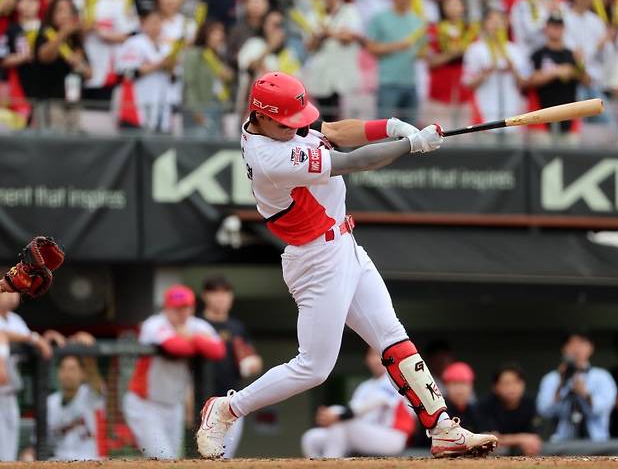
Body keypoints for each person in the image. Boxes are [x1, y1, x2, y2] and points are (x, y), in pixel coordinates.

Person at [196, 71, 498, 459]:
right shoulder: (272, 156)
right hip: (316, 259)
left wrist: (390, 125)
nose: (297, 128)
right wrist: (410, 145)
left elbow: (335, 130)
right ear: (263, 116)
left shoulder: (275, 126)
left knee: (392, 334)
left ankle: (441, 428)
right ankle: (225, 409)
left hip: (345, 244)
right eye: (288, 123)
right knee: (314, 367)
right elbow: (354, 161)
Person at [123, 284, 225, 459]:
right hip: (145, 404)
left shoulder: (196, 325)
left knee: (173, 459)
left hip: (174, 405)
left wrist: (192, 338)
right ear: (167, 308)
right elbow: (175, 347)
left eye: (186, 307)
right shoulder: (154, 324)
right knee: (163, 459)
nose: (182, 313)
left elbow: (218, 351)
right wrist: (198, 342)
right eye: (177, 309)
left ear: (192, 308)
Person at [301, 347, 415, 458]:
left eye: (380, 355)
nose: (377, 360)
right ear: (367, 359)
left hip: (392, 436)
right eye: (373, 355)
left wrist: (336, 416)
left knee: (338, 415)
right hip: (364, 433)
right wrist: (332, 417)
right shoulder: (365, 386)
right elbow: (352, 411)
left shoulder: (395, 380)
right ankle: (324, 462)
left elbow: (369, 405)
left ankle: (330, 461)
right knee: (311, 438)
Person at [200, 275, 262, 458]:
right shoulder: (198, 324)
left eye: (225, 293)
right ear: (205, 296)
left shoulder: (237, 327)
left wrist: (251, 363)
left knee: (225, 456)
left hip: (232, 400)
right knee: (200, 454)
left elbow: (255, 360)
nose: (221, 297)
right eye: (215, 293)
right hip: (201, 399)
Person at [301, 0, 362, 122]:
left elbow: (350, 36)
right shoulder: (313, 15)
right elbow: (309, 46)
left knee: (346, 118)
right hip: (322, 73)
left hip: (344, 72)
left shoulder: (350, 11)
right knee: (326, 117)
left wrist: (327, 32)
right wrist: (318, 36)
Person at [462, 9, 530, 138]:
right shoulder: (475, 49)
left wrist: (512, 67)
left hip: (512, 114)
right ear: (484, 24)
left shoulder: (515, 50)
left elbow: (525, 82)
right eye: (492, 21)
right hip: (484, 114)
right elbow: (467, 82)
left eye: (500, 21)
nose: (496, 25)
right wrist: (486, 73)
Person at [0, 292, 52, 461]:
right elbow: (3, 335)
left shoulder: (16, 320)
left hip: (8, 392)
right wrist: (34, 338)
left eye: (14, 291)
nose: (12, 296)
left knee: (7, 451)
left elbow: (29, 341)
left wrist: (46, 337)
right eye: (6, 291)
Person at [536, 332, 617, 441]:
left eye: (581, 343)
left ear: (591, 348)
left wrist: (585, 394)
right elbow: (544, 411)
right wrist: (560, 385)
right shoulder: (552, 378)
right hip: (561, 444)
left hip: (597, 444)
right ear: (564, 348)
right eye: (572, 344)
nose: (576, 349)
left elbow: (603, 408)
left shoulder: (602, 377)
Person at [366, 0, 424, 126]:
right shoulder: (380, 18)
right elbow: (370, 47)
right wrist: (397, 45)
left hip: (411, 83)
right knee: (384, 130)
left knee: (412, 134)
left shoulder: (417, 20)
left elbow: (421, 52)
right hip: (387, 83)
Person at [526, 11, 589, 141]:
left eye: (559, 26)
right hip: (542, 115)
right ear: (546, 28)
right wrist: (556, 72)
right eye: (553, 26)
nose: (556, 30)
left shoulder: (571, 55)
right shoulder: (538, 54)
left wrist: (580, 65)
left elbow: (587, 81)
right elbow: (529, 81)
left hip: (569, 115)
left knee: (569, 156)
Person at [34, 0, 92, 132]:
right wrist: (62, 34)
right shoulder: (45, 33)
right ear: (51, 13)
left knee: (72, 141)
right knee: (54, 141)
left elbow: (89, 73)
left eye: (68, 11)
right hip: (51, 100)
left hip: (74, 100)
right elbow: (45, 57)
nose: (64, 15)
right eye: (59, 10)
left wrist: (80, 63)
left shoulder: (75, 39)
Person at [116, 9, 176, 131]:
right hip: (137, 101)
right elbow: (129, 73)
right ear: (144, 24)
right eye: (153, 22)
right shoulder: (134, 43)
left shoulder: (166, 46)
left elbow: (174, 76)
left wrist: (171, 65)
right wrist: (159, 64)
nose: (156, 26)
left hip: (161, 100)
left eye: (159, 22)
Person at [424, 0, 476, 130]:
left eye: (457, 3)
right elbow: (430, 61)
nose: (453, 7)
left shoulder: (471, 30)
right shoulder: (434, 29)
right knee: (437, 130)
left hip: (464, 88)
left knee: (464, 130)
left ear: (463, 7)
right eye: (449, 3)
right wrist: (452, 54)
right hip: (440, 86)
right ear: (442, 6)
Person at [48, 352, 105, 461]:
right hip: (58, 460)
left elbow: (97, 385)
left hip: (89, 460)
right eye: (63, 368)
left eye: (72, 369)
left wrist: (88, 353)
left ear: (82, 373)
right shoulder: (50, 402)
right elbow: (37, 442)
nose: (67, 373)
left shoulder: (90, 395)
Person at [182, 20, 234, 139]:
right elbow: (190, 84)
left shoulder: (219, 55)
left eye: (221, 32)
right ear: (205, 34)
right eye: (215, 33)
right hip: (201, 106)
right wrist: (195, 110)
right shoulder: (194, 54)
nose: (219, 36)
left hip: (218, 105)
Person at [479, 364, 542, 456]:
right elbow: (489, 439)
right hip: (498, 449)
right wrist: (521, 439)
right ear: (495, 387)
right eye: (506, 383)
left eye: (517, 382)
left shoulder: (529, 403)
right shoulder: (486, 404)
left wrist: (526, 441)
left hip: (522, 448)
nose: (512, 387)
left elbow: (534, 437)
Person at [442, 361, 483, 433]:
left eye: (464, 384)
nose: (459, 391)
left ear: (471, 386)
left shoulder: (477, 411)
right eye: (454, 384)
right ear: (446, 386)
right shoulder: (438, 412)